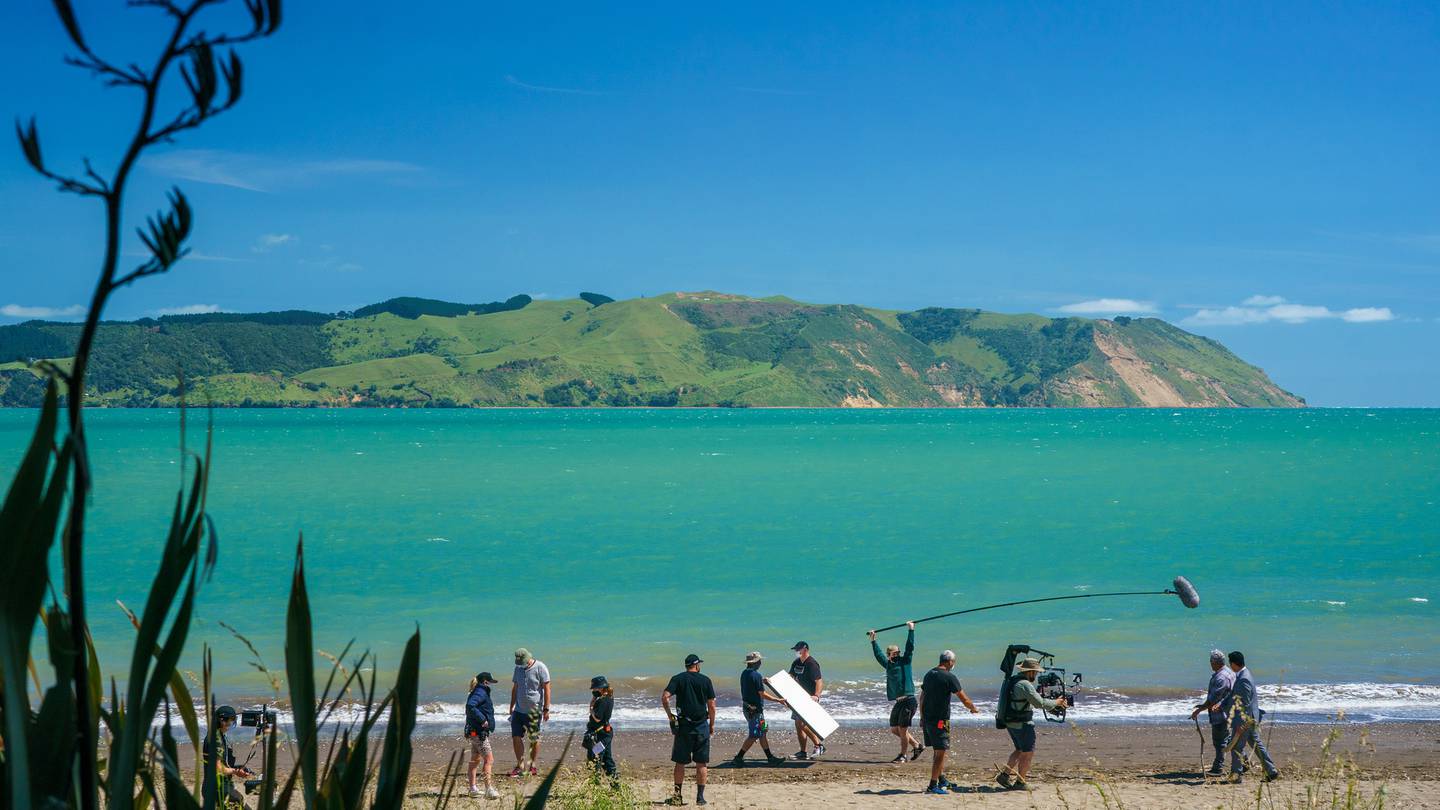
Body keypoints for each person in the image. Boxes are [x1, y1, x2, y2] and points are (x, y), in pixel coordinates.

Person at [996, 656, 1067, 791]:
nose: (1037, 674)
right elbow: (1039, 703)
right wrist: (1057, 702)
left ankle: (1004, 776)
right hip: (1022, 724)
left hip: (1010, 722)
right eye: (1036, 672)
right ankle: (1020, 782)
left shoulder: (1012, 680)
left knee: (1019, 750)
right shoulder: (1025, 684)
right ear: (1030, 671)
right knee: (1028, 753)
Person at [916, 650, 979, 795]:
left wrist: (921, 717)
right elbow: (964, 698)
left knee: (938, 750)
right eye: (953, 662)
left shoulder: (929, 674)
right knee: (941, 752)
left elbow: (922, 697)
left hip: (927, 718)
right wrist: (973, 708)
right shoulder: (949, 677)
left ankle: (942, 779)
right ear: (949, 662)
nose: (953, 664)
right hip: (940, 720)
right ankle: (932, 785)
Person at [661, 653, 717, 806]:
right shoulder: (705, 680)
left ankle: (678, 796)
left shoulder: (678, 678)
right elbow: (711, 706)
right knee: (701, 763)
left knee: (680, 763)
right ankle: (700, 797)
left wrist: (670, 716)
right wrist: (712, 724)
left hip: (684, 726)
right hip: (701, 726)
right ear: (697, 665)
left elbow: (665, 697)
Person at [1222, 651, 1280, 783]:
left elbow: (1246, 704)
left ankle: (1236, 776)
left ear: (1233, 664)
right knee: (1256, 745)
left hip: (1246, 719)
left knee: (1236, 747)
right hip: (1250, 717)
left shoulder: (1244, 678)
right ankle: (1271, 770)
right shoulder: (1243, 675)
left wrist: (1242, 724)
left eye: (1230, 663)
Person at [869, 621, 922, 763]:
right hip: (899, 701)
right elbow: (879, 655)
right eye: (894, 653)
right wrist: (873, 640)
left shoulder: (905, 661)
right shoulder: (888, 665)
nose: (897, 655)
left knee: (903, 730)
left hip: (909, 700)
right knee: (894, 729)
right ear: (889, 654)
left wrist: (911, 630)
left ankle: (903, 755)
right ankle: (917, 745)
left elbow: (910, 648)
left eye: (898, 652)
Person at [731, 651, 789, 766]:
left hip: (748, 708)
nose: (761, 662)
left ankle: (770, 758)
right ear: (755, 662)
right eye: (759, 661)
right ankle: (738, 757)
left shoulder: (744, 673)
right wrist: (778, 700)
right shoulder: (756, 675)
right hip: (755, 711)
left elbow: (751, 684)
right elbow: (762, 694)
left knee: (763, 731)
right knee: (754, 735)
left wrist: (761, 681)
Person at [1189, 650, 1235, 776]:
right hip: (1228, 712)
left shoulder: (1221, 677)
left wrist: (1199, 710)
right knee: (1230, 739)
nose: (1210, 664)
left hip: (1221, 715)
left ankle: (1218, 768)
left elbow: (1214, 699)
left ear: (1215, 663)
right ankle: (1243, 762)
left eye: (1211, 661)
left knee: (1219, 742)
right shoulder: (1228, 673)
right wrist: (1203, 706)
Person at [507, 648, 551, 777]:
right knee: (516, 736)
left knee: (533, 738)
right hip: (519, 710)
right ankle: (520, 766)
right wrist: (511, 706)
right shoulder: (518, 668)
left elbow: (547, 689)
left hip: (534, 710)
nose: (521, 663)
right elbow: (515, 688)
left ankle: (532, 765)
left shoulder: (540, 667)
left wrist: (546, 709)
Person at [202, 705, 250, 810]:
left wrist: (238, 768)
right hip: (218, 789)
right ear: (222, 721)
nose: (231, 723)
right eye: (230, 720)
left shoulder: (220, 736)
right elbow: (218, 769)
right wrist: (234, 771)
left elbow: (223, 763)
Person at [465, 672, 501, 798]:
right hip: (479, 733)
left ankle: (473, 789)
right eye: (490, 681)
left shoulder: (476, 691)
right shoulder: (481, 692)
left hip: (473, 732)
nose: (491, 684)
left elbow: (470, 711)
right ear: (485, 681)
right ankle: (489, 790)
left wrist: (467, 728)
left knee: (475, 760)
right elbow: (470, 706)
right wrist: (483, 720)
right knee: (489, 759)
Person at [788, 641, 825, 759]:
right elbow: (789, 677)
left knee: (802, 724)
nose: (796, 652)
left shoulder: (812, 664)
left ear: (805, 649)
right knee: (798, 725)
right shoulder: (796, 662)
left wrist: (817, 695)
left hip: (809, 698)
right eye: (795, 650)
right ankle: (803, 752)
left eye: (798, 649)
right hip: (798, 697)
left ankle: (819, 745)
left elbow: (819, 681)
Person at [585, 675, 619, 783]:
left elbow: (597, 718)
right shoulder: (609, 697)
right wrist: (595, 698)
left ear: (600, 688)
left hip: (601, 735)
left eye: (595, 688)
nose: (594, 690)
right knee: (607, 760)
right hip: (606, 733)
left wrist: (591, 708)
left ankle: (596, 784)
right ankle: (615, 786)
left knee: (595, 758)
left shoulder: (602, 701)